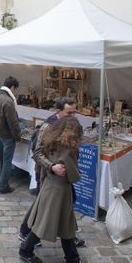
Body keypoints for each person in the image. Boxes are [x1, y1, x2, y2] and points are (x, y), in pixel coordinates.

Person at [19, 116, 93, 263]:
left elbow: (39, 155)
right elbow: (74, 176)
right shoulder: (69, 150)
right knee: (45, 223)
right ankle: (26, 250)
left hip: (50, 186)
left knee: (61, 224)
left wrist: (51, 168)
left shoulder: (51, 142)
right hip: (59, 191)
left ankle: (72, 258)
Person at [19, 97, 86, 248]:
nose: (72, 116)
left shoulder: (68, 125)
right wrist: (52, 167)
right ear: (58, 111)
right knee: (42, 204)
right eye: (69, 113)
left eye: (74, 113)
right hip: (46, 174)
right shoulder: (48, 127)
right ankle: (26, 233)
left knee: (66, 202)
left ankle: (69, 236)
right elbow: (37, 153)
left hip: (62, 176)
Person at [0, 76, 21, 194]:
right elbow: (13, 123)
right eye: (15, 89)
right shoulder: (8, 101)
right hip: (7, 135)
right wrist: (18, 137)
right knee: (7, 161)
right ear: (12, 87)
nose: (15, 92)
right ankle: (3, 186)